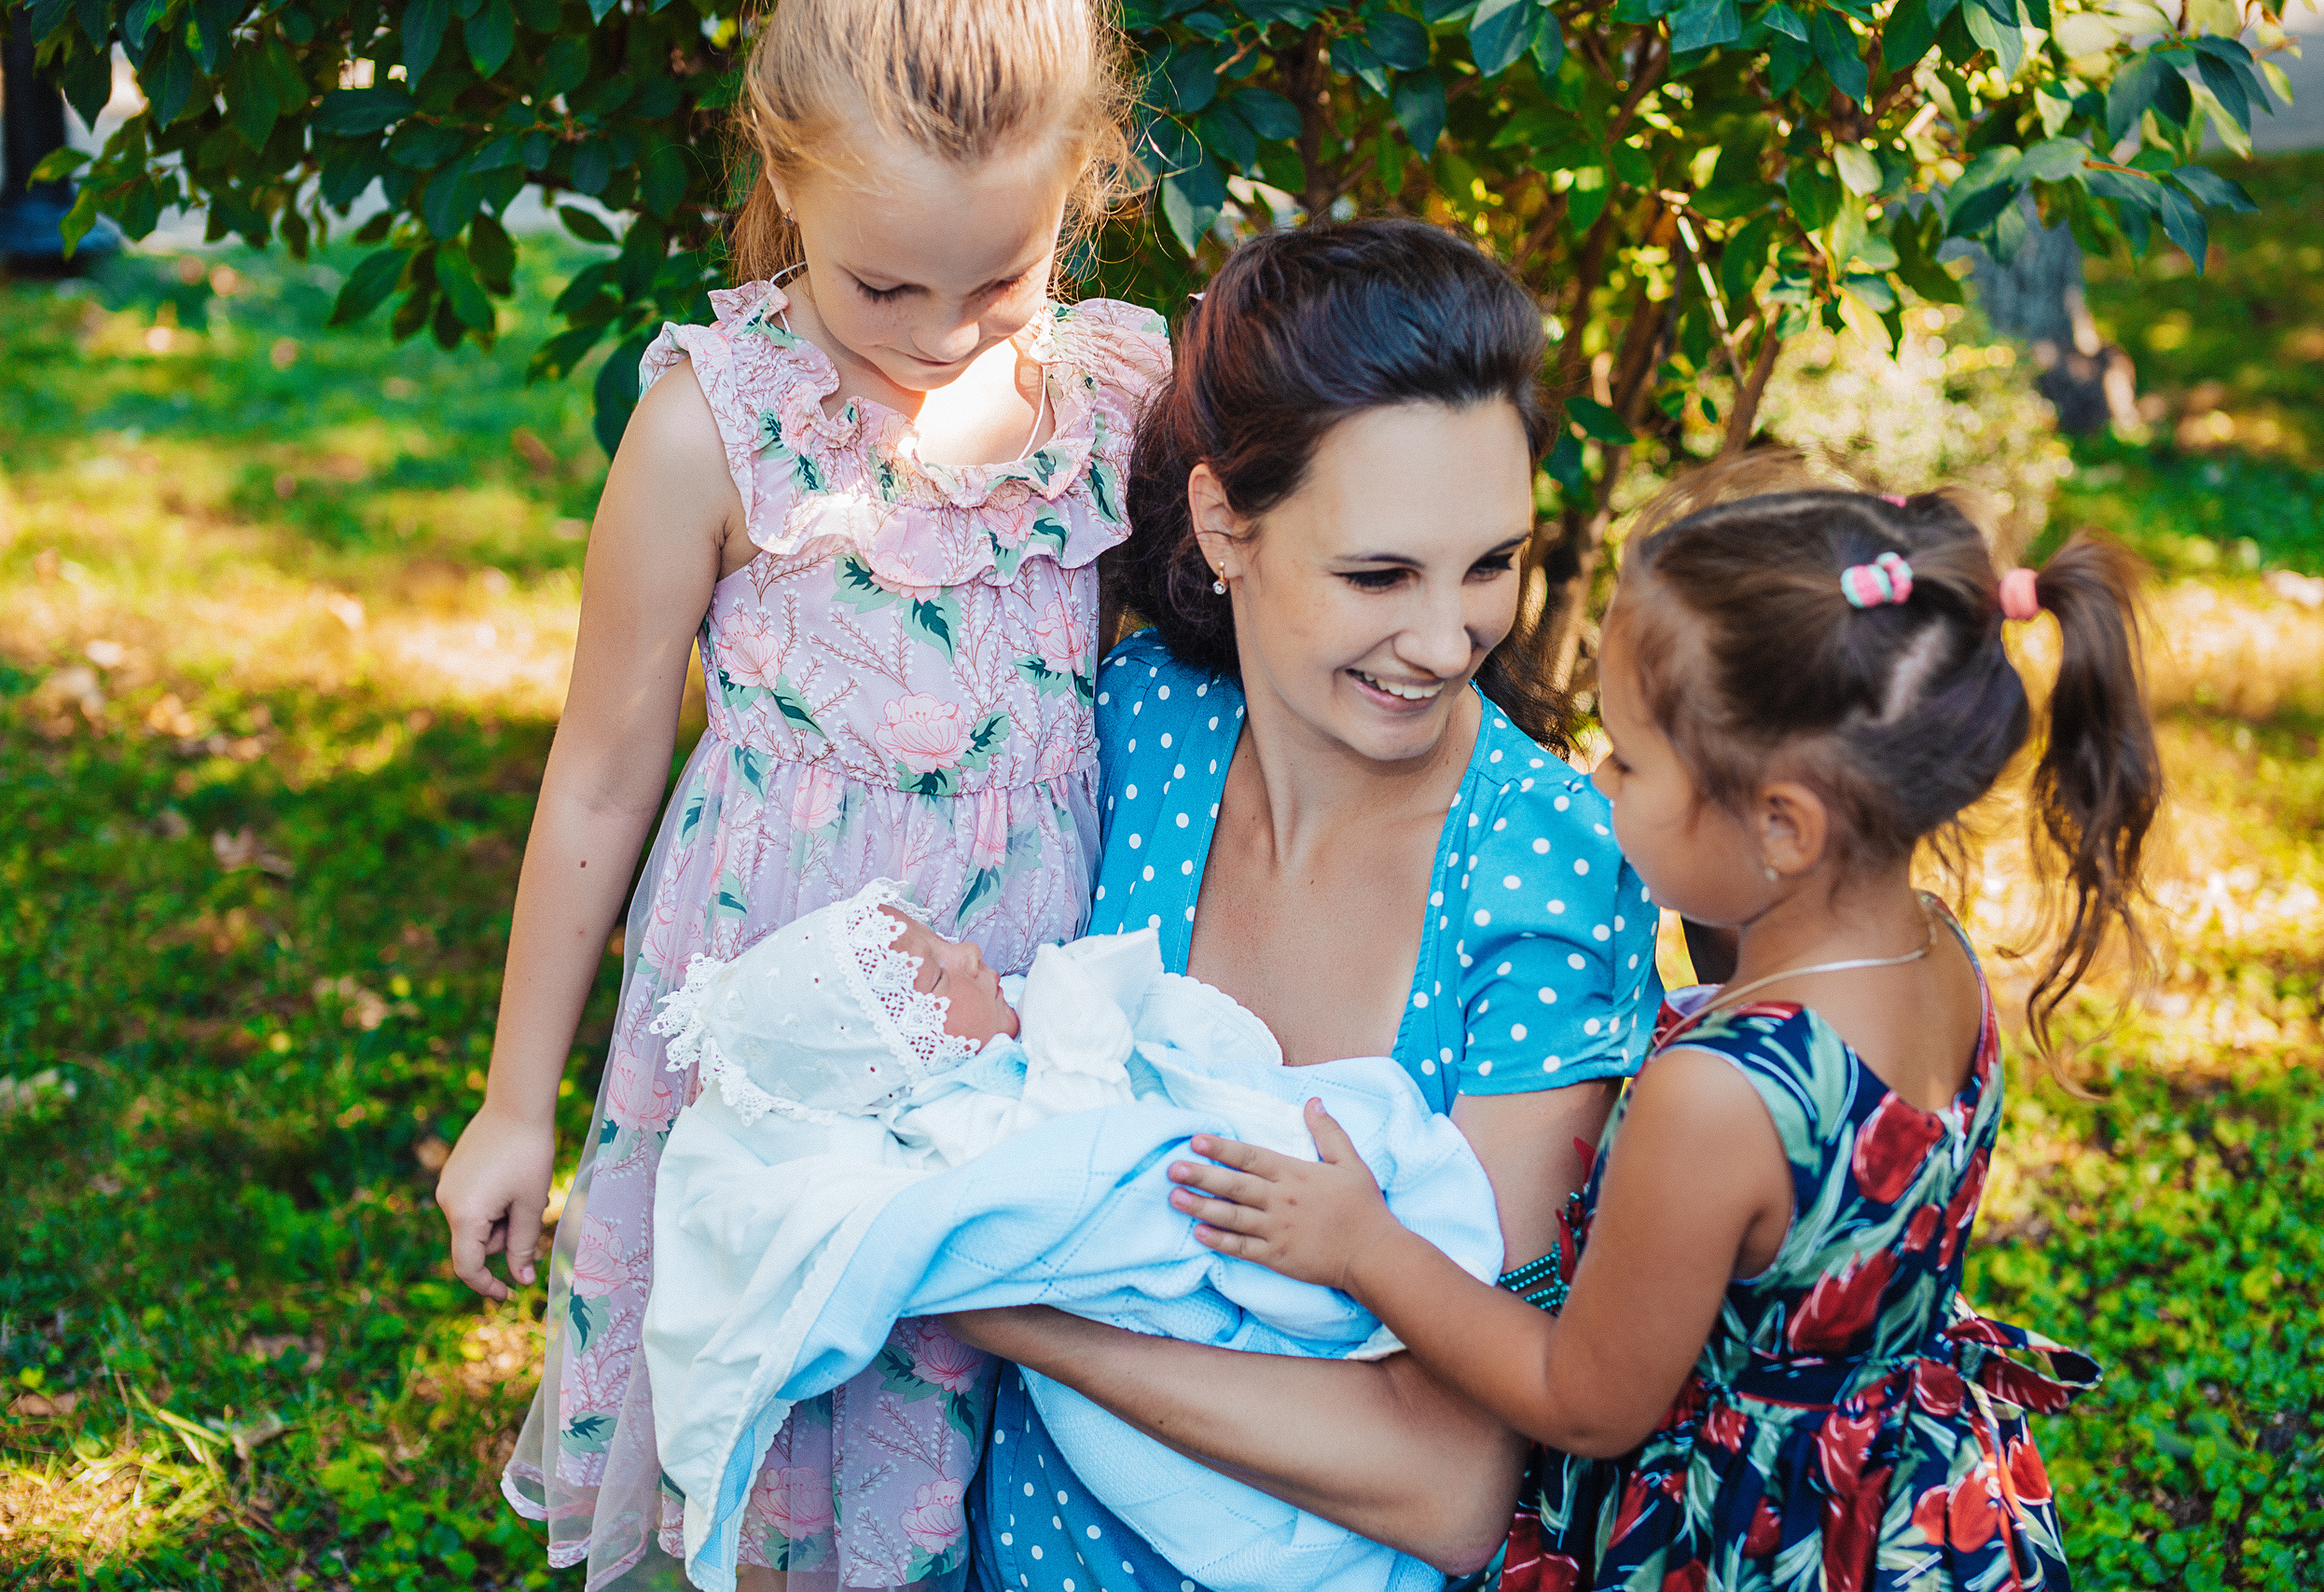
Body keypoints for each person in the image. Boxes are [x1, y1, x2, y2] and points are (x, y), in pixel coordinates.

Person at [428, 1, 1168, 1584]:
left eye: (1004, 279)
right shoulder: (715, 424)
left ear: (1082, 184)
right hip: (773, 1044)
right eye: (883, 285)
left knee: (980, 1428)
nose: (944, 334)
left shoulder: (1113, 401)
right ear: (786, 179)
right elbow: (602, 774)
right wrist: (513, 1102)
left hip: (1010, 1030)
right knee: (777, 1444)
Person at [1165, 461, 2160, 1592]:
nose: (1597, 784)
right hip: (1908, 1496)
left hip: (1756, 1534)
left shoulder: (1715, 1098)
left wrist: (1363, 1247)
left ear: (1783, 829)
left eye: (1631, 761)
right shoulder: (1935, 956)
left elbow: (1583, 1399)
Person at [944, 218, 1669, 1590]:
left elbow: (1452, 1483)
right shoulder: (1134, 724)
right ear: (1226, 524)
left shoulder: (1548, 868)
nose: (1448, 641)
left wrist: (1002, 1305)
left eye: (1492, 563)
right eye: (1379, 574)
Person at [639, 881, 1510, 1592]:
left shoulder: (992, 1064)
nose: (968, 954)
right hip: (1157, 1295)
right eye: (937, 976)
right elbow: (1077, 1169)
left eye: (942, 938)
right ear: (897, 1055)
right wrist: (1075, 1019)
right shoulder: (955, 1130)